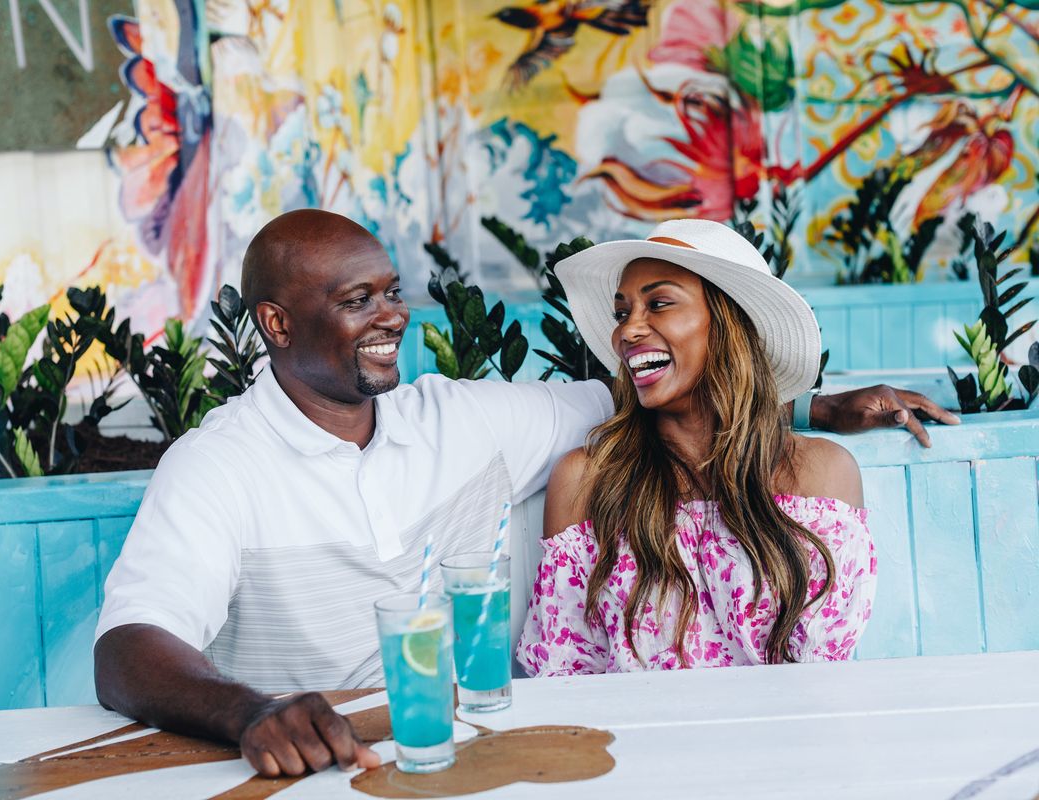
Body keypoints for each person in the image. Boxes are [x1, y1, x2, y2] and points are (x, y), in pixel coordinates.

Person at [94, 210, 956, 779]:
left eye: (394, 292)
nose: (394, 317)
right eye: (359, 300)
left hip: (488, 761)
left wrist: (810, 408)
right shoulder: (218, 466)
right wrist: (254, 711)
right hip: (322, 771)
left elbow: (649, 391)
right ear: (277, 324)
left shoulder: (459, 421)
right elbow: (129, 648)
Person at [517, 219, 877, 676]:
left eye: (659, 303)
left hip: (783, 740)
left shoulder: (818, 475)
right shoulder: (588, 480)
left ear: (728, 324)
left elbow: (825, 671)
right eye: (622, 313)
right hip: (632, 743)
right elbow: (566, 671)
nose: (629, 331)